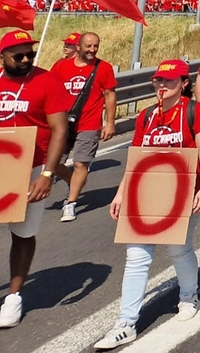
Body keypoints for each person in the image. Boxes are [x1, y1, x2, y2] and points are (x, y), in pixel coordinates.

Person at [93, 61, 200, 349]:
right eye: (158, 80)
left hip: (183, 190)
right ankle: (126, 322)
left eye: (170, 81)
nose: (162, 86)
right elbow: (135, 156)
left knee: (178, 249)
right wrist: (121, 192)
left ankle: (188, 296)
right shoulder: (146, 116)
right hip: (145, 189)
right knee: (136, 256)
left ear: (183, 83)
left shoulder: (195, 111)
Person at [0, 30, 71, 329]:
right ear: (2, 56)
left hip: (31, 167)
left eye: (30, 53)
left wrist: (47, 174)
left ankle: (14, 297)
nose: (27, 58)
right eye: (19, 55)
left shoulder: (47, 81)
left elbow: (59, 130)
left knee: (23, 233)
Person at [49, 31, 117, 222]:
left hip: (89, 123)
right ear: (78, 47)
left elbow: (110, 95)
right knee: (53, 162)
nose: (92, 50)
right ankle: (73, 182)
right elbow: (50, 91)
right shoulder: (60, 66)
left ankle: (70, 203)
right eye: (88, 46)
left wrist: (109, 122)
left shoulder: (103, 68)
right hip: (62, 123)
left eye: (96, 46)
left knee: (81, 163)